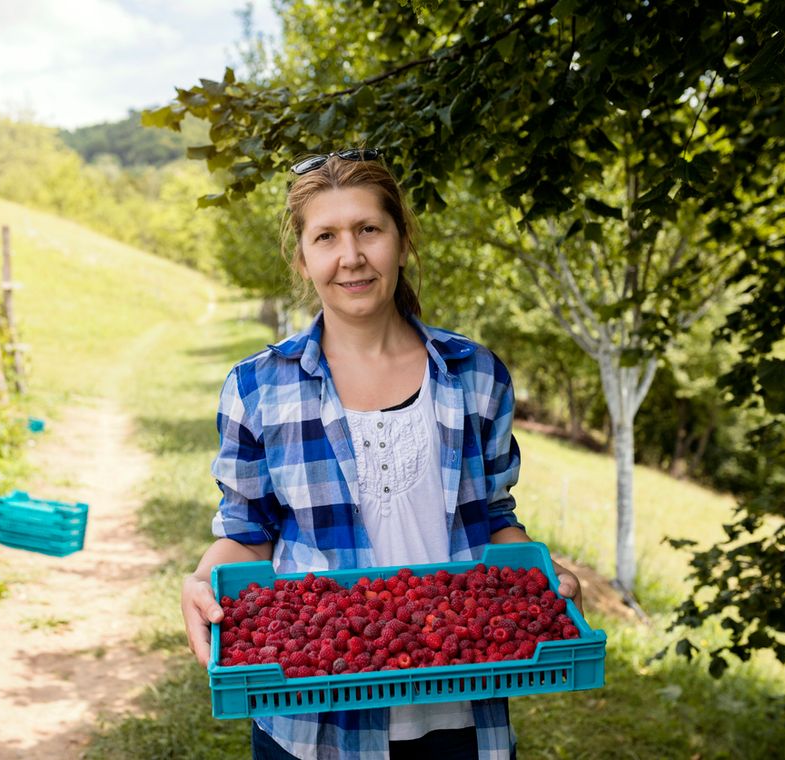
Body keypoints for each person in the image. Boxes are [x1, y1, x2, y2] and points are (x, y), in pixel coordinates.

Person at [181, 148, 583, 760]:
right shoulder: (259, 387)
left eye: (369, 229)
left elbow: (495, 520)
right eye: (327, 237)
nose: (351, 256)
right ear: (303, 257)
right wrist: (203, 580)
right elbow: (247, 530)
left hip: (461, 698)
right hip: (312, 715)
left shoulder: (475, 375)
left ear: (401, 238)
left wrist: (541, 576)